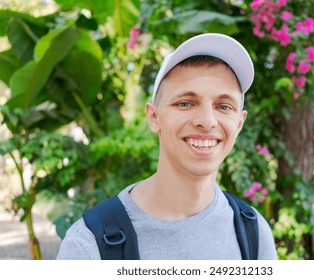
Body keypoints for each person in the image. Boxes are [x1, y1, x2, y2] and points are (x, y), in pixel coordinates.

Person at [57, 33, 278, 260]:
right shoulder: (88, 246)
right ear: (154, 117)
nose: (207, 120)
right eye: (185, 103)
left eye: (223, 106)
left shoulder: (253, 234)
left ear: (239, 123)